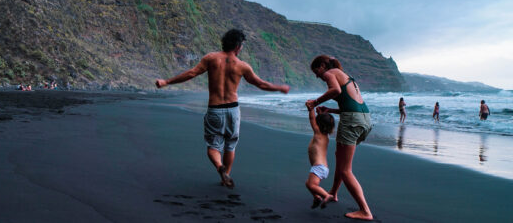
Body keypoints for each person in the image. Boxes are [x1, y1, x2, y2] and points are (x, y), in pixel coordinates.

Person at [155, 29, 290, 189]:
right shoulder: (242, 66)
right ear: (238, 46)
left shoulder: (211, 59)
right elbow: (261, 84)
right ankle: (226, 175)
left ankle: (220, 167)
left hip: (215, 109)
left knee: (213, 147)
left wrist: (166, 82)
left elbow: (191, 73)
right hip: (233, 110)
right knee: (230, 145)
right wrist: (279, 87)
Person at [306, 55, 373, 221]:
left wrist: (314, 102)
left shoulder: (330, 73)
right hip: (365, 120)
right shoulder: (345, 76)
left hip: (352, 122)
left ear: (323, 66)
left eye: (317, 72)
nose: (317, 76)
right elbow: (350, 106)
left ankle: (365, 211)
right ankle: (334, 193)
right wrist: (330, 110)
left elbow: (335, 91)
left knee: (345, 170)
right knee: (340, 159)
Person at [305, 103, 335, 209]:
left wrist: (311, 109)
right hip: (323, 168)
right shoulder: (325, 136)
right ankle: (317, 197)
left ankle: (327, 196)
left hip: (319, 167)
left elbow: (312, 119)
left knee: (312, 185)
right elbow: (320, 121)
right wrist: (321, 113)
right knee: (309, 184)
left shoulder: (318, 133)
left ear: (319, 124)